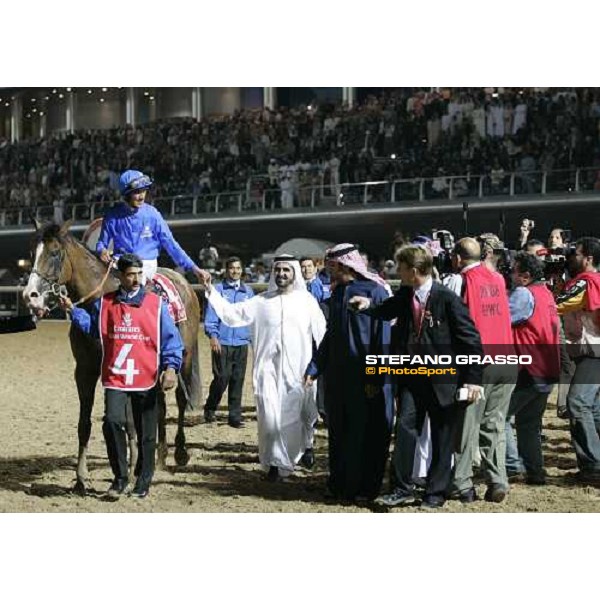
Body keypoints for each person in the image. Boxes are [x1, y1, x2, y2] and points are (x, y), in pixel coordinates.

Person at [350, 245, 484, 509]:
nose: (397, 273)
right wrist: (368, 306)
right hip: (412, 377)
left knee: (442, 438)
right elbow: (388, 309)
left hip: (443, 379)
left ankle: (436, 493)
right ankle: (401, 488)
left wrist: (472, 379)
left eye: (400, 269)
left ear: (413, 271)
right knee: (405, 430)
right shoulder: (406, 293)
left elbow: (472, 341)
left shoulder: (447, 299)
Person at [59, 253, 184, 499]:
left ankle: (143, 482)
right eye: (131, 275)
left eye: (139, 274)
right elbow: (96, 328)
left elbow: (171, 339)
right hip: (116, 376)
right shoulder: (105, 303)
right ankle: (120, 478)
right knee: (112, 421)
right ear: (119, 277)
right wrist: (73, 311)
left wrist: (171, 368)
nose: (136, 279)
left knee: (146, 432)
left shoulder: (156, 304)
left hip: (146, 375)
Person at [202, 256, 326, 481]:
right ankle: (276, 464)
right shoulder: (260, 301)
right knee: (270, 417)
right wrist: (210, 290)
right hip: (267, 371)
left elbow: (322, 335)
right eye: (277, 270)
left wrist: (318, 366)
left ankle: (303, 450)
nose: (281, 274)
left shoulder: (307, 302)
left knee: (300, 415)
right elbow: (231, 315)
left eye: (286, 270)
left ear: (294, 273)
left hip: (299, 372)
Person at [304, 243, 394, 502]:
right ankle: (340, 486)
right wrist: (315, 368)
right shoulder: (339, 294)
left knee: (366, 435)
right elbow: (331, 337)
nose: (328, 271)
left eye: (331, 266)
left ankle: (366, 489)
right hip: (339, 380)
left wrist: (377, 378)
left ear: (344, 265)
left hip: (367, 380)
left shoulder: (375, 293)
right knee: (340, 433)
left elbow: (382, 340)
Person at [447, 238, 517, 504]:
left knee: (466, 425)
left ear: (456, 258)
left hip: (478, 363)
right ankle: (498, 479)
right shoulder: (498, 279)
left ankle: (461, 482)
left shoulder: (460, 280)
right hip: (507, 359)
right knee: (495, 425)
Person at [505, 252, 560, 484]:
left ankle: (511, 466)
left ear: (525, 276)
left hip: (529, 369)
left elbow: (502, 319)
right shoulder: (545, 292)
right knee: (529, 424)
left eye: (513, 271)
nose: (510, 274)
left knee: (499, 417)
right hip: (547, 369)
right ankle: (535, 472)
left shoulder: (523, 293)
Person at [96, 169, 206, 284]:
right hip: (120, 263)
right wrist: (102, 251)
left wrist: (194, 268)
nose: (142, 196)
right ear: (126, 194)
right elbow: (101, 243)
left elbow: (171, 245)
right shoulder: (112, 216)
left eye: (144, 191)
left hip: (146, 264)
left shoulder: (153, 214)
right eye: (137, 192)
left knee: (133, 283)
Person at [556, 237, 600, 481]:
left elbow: (558, 305)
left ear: (589, 259)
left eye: (577, 253)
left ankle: (593, 466)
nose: (573, 257)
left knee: (577, 403)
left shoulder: (586, 283)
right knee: (593, 408)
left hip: (594, 352)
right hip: (592, 351)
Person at [203, 256, 254, 428]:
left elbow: (251, 318)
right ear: (226, 270)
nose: (235, 271)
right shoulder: (217, 290)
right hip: (222, 342)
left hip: (241, 342)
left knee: (237, 379)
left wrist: (252, 339)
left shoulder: (248, 292)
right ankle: (210, 408)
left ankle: (234, 417)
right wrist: (213, 336)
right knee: (222, 378)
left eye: (238, 268)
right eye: (232, 268)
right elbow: (211, 316)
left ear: (242, 270)